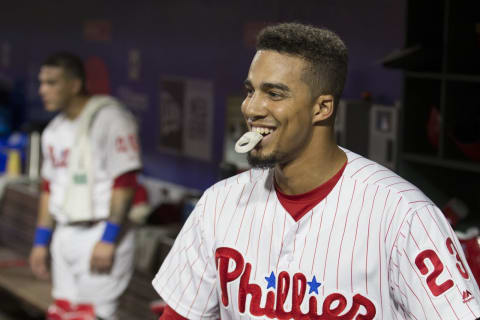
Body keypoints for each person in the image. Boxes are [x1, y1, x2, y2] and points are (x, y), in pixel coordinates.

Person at [152, 23, 480, 319]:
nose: (251, 108)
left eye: (274, 94)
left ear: (321, 108)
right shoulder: (218, 204)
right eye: (251, 90)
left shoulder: (404, 216)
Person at [29, 52, 142, 320]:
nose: (42, 90)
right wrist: (40, 242)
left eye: (51, 82)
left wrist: (108, 238)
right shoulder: (53, 130)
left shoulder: (111, 118)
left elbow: (125, 182)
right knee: (62, 313)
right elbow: (48, 188)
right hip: (65, 232)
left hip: (99, 232)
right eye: (41, 82)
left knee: (91, 316)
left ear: (75, 84)